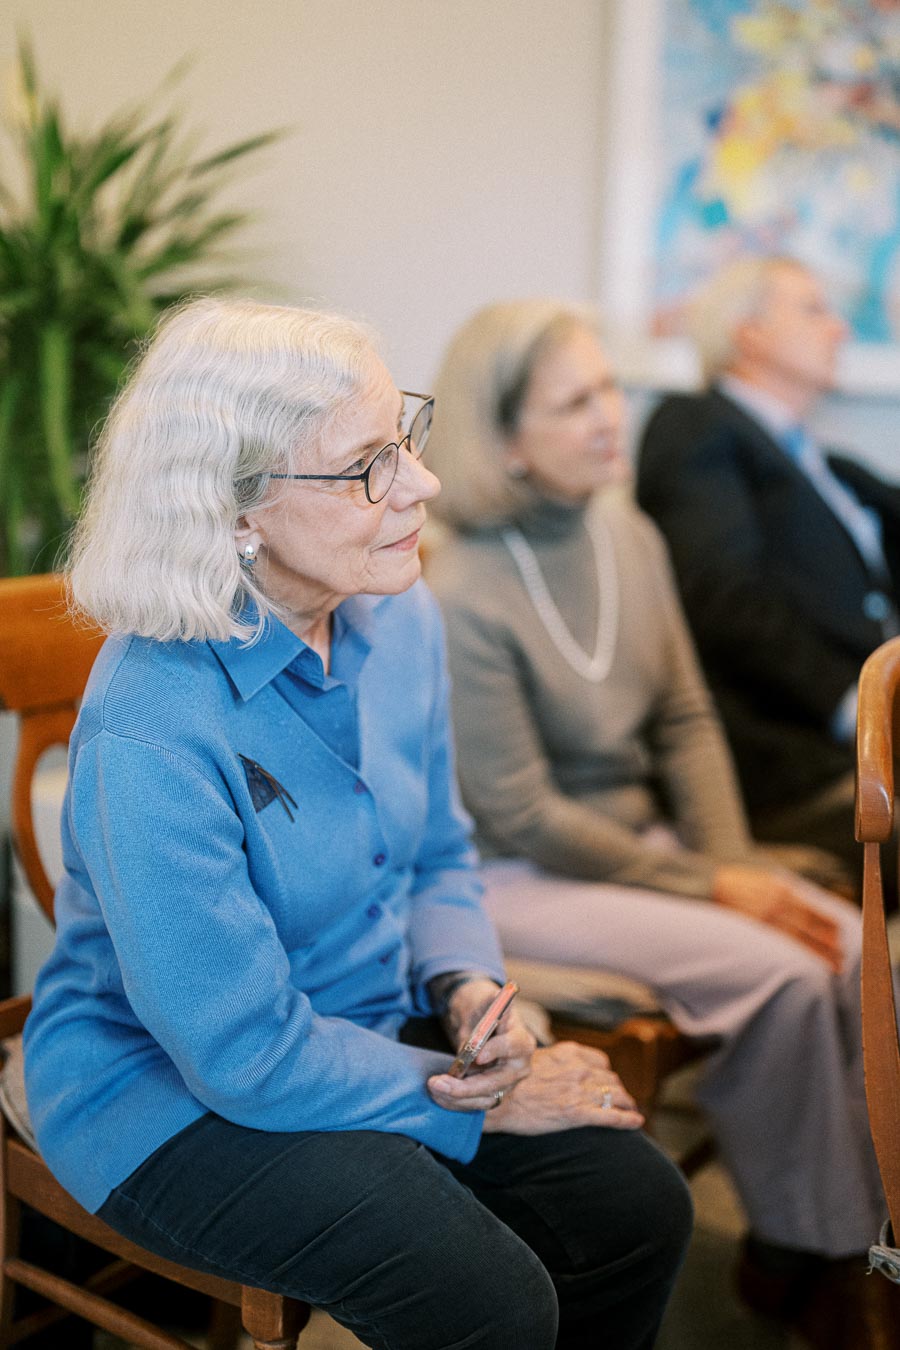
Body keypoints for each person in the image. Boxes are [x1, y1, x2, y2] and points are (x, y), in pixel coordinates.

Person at [22, 297, 693, 1350]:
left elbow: (435, 854)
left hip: (364, 1023)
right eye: (367, 467)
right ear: (234, 511)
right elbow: (238, 1050)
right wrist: (476, 1102)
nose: (422, 485)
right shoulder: (152, 724)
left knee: (638, 1207)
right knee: (490, 1301)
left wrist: (469, 988)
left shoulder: (398, 608)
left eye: (405, 438)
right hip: (165, 1094)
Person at [424, 298, 897, 1346]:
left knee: (852, 944)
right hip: (515, 871)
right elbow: (523, 811)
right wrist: (726, 889)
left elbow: (686, 718)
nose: (612, 418)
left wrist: (734, 864)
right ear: (505, 440)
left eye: (611, 389)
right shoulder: (458, 588)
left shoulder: (626, 531)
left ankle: (833, 1240)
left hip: (636, 851)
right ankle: (820, 1257)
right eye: (577, 400)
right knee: (783, 968)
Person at [636, 255, 900, 882]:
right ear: (747, 332)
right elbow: (726, 600)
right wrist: (854, 704)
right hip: (788, 755)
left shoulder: (826, 466)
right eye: (813, 310)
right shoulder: (697, 427)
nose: (839, 330)